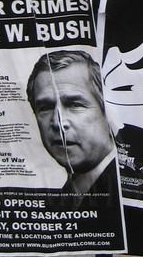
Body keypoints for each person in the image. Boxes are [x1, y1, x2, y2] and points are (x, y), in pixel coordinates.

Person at [26, 49, 118, 198]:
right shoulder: (64, 196)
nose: (58, 122)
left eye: (74, 104)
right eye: (45, 108)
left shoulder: (133, 189)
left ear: (107, 111)